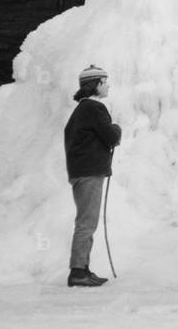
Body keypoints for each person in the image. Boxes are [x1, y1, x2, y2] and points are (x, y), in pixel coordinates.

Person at [63, 64, 121, 287]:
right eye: (104, 81)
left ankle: (83, 268)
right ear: (95, 84)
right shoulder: (94, 109)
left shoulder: (81, 110)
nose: (107, 85)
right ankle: (78, 271)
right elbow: (111, 137)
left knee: (86, 222)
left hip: (81, 173)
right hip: (89, 173)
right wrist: (117, 129)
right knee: (86, 223)